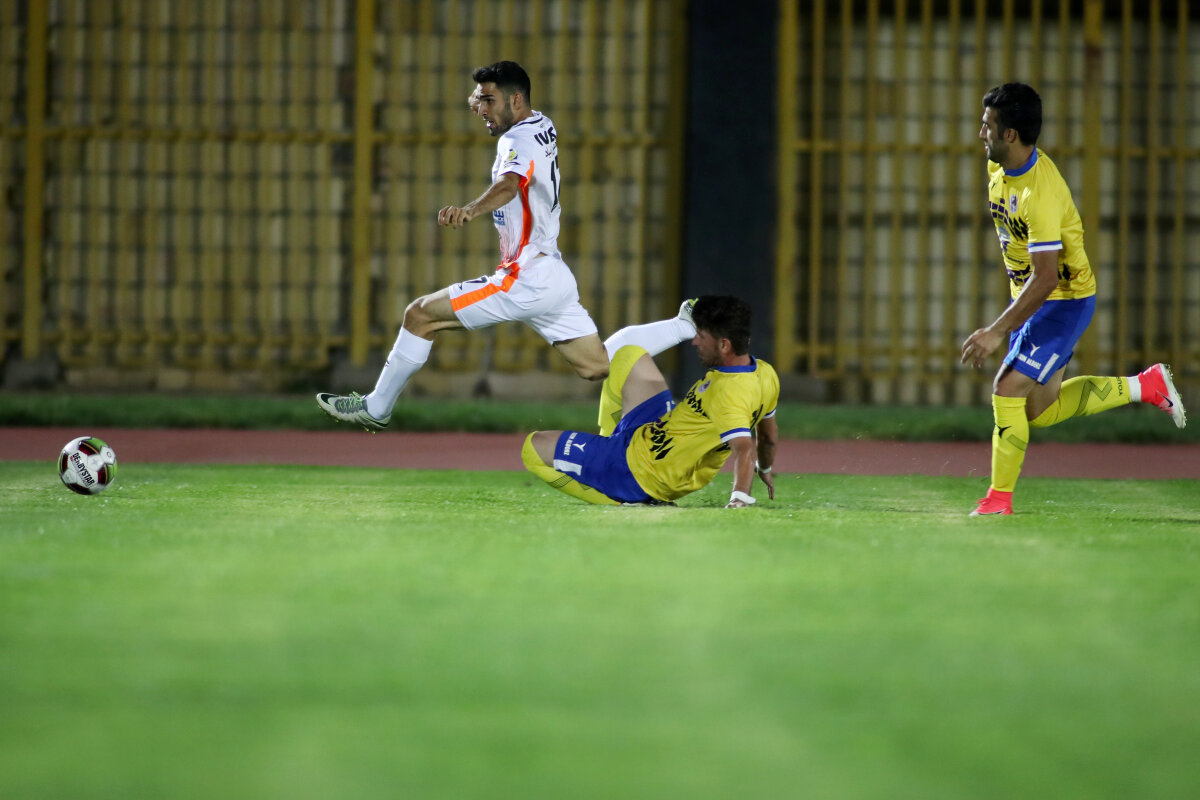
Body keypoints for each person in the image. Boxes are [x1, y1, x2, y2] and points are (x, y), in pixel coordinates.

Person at [317, 60, 695, 431]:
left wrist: (470, 209)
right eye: (480, 100)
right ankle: (683, 326)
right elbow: (507, 134)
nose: (482, 109)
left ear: (515, 100)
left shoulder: (517, 140)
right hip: (552, 275)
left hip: (524, 278)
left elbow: (509, 184)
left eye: (489, 101)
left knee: (419, 315)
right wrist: (482, 98)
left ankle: (376, 408)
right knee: (596, 365)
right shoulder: (542, 123)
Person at [961, 82, 1187, 516]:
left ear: (1010, 134)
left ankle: (997, 500)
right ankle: (1145, 385)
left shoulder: (1040, 193)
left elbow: (1047, 277)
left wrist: (996, 331)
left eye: (987, 125)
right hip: (1035, 300)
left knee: (1006, 388)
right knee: (1040, 412)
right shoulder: (999, 169)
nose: (980, 133)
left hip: (1061, 300)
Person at [523, 295, 779, 509]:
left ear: (724, 345)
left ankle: (620, 498)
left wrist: (739, 498)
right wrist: (765, 468)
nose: (695, 342)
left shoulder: (728, 393)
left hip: (641, 472)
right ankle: (609, 446)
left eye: (701, 336)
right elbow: (767, 437)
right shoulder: (765, 373)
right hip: (653, 437)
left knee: (532, 449)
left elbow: (744, 447)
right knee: (629, 356)